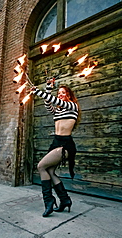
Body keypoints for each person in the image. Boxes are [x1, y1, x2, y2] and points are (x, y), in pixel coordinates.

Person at [31, 79, 80, 217]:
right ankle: (65, 200)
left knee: (41, 166)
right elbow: (48, 103)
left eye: (63, 93)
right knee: (50, 171)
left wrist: (37, 91)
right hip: (55, 142)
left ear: (68, 95)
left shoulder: (72, 106)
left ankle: (49, 201)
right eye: (58, 93)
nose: (60, 95)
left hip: (65, 144)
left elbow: (54, 100)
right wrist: (47, 87)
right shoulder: (58, 111)